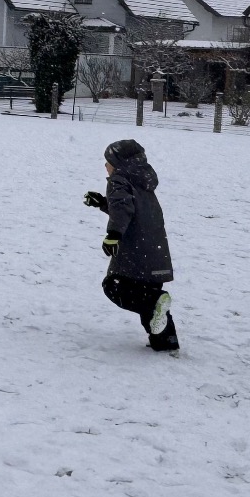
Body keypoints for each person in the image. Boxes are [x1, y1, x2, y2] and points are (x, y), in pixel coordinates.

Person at [84, 137, 178, 351]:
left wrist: (113, 234)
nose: (105, 166)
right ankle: (166, 342)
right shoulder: (143, 180)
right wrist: (103, 203)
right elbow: (130, 208)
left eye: (108, 162)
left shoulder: (118, 180)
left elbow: (122, 208)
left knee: (115, 286)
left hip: (136, 250)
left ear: (119, 164)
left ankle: (155, 301)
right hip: (155, 250)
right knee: (151, 300)